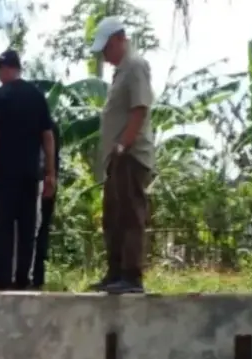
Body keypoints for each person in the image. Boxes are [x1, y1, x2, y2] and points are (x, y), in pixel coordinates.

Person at [91, 17, 155, 294]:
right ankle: (115, 272)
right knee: (113, 217)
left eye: (106, 48)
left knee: (129, 215)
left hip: (129, 155)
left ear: (118, 39)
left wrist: (122, 146)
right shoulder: (121, 71)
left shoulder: (135, 65)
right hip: (117, 159)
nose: (104, 56)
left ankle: (131, 275)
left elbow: (139, 109)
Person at [0, 49, 56, 291]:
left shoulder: (0, 95)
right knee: (26, 232)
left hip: (6, 178)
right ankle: (23, 281)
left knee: (4, 232)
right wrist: (50, 174)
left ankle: (4, 284)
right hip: (29, 177)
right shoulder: (37, 96)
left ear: (5, 69)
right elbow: (48, 138)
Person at [32, 119, 61, 290]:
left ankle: (36, 279)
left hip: (43, 186)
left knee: (40, 234)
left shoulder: (49, 127)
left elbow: (53, 159)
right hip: (32, 186)